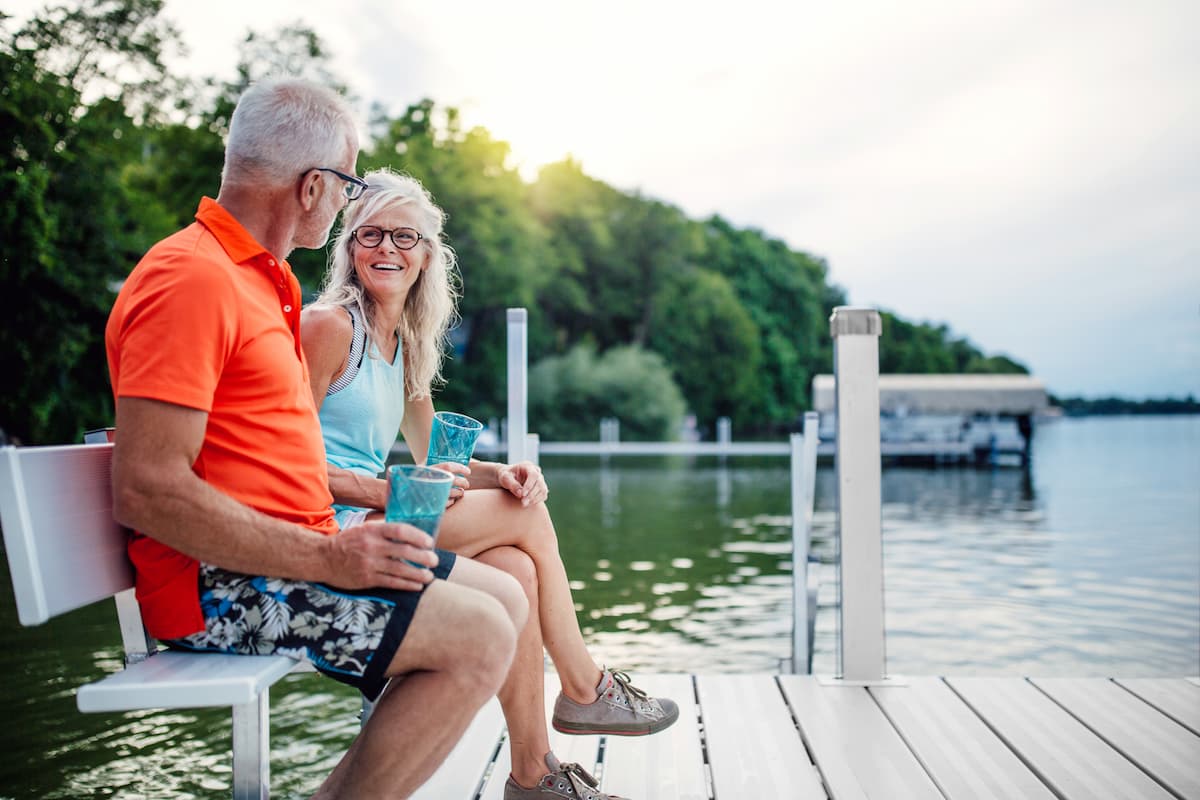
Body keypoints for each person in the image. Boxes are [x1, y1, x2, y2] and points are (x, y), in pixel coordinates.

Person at [104, 78, 529, 800]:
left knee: (506, 602)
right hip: (218, 589)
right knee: (481, 635)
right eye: (347, 186)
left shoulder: (265, 286)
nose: (345, 204)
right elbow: (147, 487)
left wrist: (343, 535)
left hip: (278, 559)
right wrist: (330, 552)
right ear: (311, 188)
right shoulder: (192, 279)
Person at [300, 168, 679, 800]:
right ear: (348, 248)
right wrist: (392, 488)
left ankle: (533, 776)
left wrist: (498, 472)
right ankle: (585, 687)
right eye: (369, 235)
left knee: (515, 567)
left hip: (383, 513)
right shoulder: (329, 327)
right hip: (334, 528)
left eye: (403, 236)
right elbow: (287, 465)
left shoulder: (404, 344)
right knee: (523, 519)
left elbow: (432, 458)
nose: (386, 249)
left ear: (426, 255)